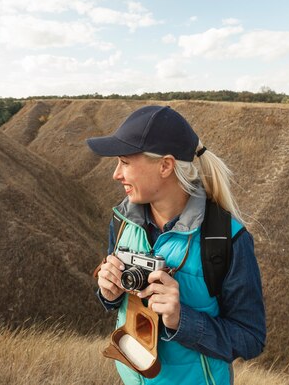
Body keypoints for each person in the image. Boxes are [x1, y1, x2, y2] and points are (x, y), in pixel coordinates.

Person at [87, 105, 265, 385]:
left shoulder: (225, 240)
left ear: (165, 165)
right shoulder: (122, 220)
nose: (116, 174)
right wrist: (109, 293)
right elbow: (120, 299)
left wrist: (182, 320)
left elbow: (250, 338)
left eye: (125, 162)